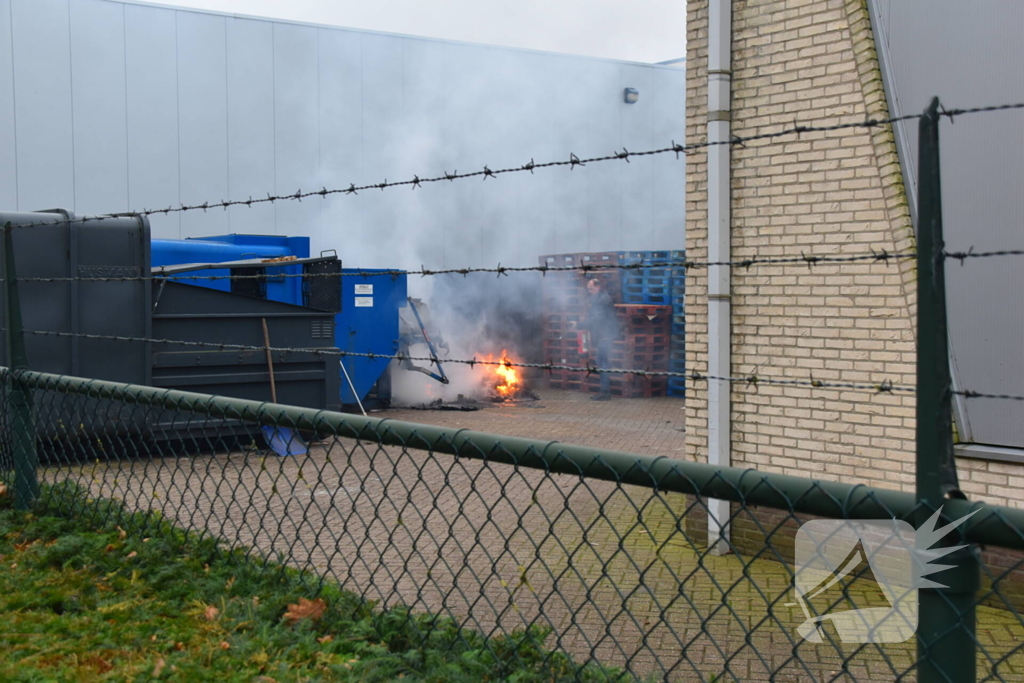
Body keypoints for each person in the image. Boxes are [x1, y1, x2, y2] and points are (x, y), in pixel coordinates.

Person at [581, 278, 619, 400]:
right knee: (601, 361)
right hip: (603, 334)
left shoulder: (603, 300)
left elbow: (597, 319)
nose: (589, 291)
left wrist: (580, 325)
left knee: (602, 362)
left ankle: (605, 391)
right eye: (588, 289)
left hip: (606, 334)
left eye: (591, 288)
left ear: (598, 287)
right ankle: (604, 389)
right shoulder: (598, 299)